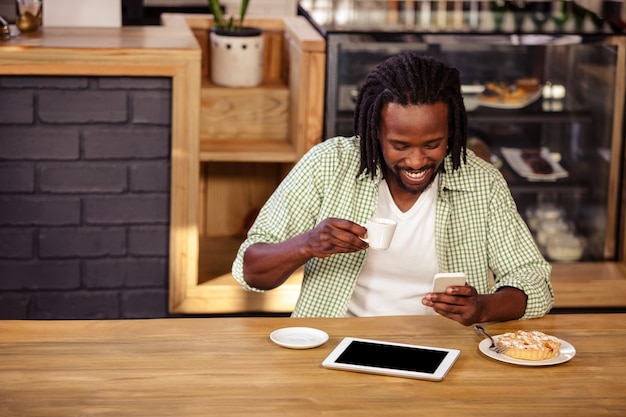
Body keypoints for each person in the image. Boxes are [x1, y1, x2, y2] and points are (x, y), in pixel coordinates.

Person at [232, 52, 554, 326]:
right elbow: (251, 269)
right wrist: (307, 244)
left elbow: (535, 282)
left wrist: (483, 307)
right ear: (375, 132)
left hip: (447, 349)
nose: (416, 161)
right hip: (335, 344)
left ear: (451, 132)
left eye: (433, 144)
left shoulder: (481, 182)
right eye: (399, 145)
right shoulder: (328, 165)